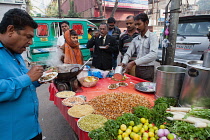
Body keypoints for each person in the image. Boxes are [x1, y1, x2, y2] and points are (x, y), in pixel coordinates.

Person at [0, 8, 45, 140]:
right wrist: (28, 77)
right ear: (11, 30)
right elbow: (23, 80)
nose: (30, 42)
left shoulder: (15, 51)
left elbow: (23, 81)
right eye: (28, 36)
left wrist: (38, 79)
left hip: (33, 130)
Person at [121, 13, 158, 82]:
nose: (137, 27)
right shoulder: (136, 39)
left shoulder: (152, 37)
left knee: (146, 89)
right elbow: (128, 53)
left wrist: (134, 62)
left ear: (146, 23)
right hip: (138, 69)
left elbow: (153, 54)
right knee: (137, 87)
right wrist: (124, 63)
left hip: (148, 69)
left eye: (139, 24)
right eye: (135, 24)